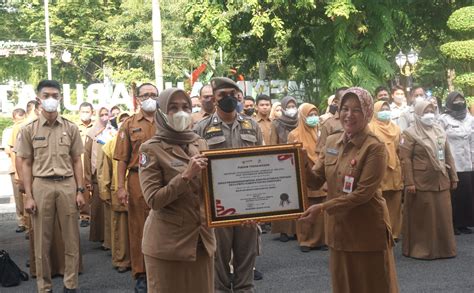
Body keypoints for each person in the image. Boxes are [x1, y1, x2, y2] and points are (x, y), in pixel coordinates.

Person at [300, 87, 399, 293]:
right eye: (345, 108)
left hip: (367, 228)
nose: (348, 115)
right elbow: (315, 181)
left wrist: (322, 208)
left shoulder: (375, 147)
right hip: (338, 228)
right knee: (344, 284)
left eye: (356, 110)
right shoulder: (331, 141)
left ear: (368, 113)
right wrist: (300, 163)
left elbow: (363, 194)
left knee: (373, 284)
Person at [139, 88, 216, 292]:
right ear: (162, 113)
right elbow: (153, 200)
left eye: (185, 107)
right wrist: (185, 176)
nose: (181, 113)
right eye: (173, 108)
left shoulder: (199, 143)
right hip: (167, 246)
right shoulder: (150, 149)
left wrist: (240, 212)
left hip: (201, 242)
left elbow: (212, 190)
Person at [194, 77, 263, 293]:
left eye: (232, 95)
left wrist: (262, 203)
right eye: (222, 95)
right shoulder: (201, 128)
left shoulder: (252, 126)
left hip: (247, 205)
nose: (228, 99)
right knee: (218, 261)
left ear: (239, 97)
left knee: (246, 259)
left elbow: (262, 163)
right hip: (218, 206)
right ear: (214, 99)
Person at [17, 80, 86, 292]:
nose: (51, 99)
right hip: (41, 186)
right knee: (41, 241)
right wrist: (28, 195)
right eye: (46, 95)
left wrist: (80, 190)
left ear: (61, 98)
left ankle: (70, 284)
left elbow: (77, 161)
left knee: (72, 240)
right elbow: (26, 163)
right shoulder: (29, 130)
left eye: (55, 95)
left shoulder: (70, 128)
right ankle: (44, 286)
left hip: (66, 184)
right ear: (39, 99)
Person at [114, 82, 159, 292]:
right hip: (137, 179)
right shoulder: (129, 124)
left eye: (153, 94)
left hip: (163, 179)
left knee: (165, 224)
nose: (150, 98)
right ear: (138, 99)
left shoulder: (167, 121)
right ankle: (141, 274)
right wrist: (120, 187)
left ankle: (162, 269)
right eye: (145, 95)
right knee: (138, 227)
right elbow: (121, 159)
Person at [400, 100, 458, 260]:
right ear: (418, 114)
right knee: (424, 218)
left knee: (443, 216)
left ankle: (445, 249)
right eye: (425, 112)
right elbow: (405, 160)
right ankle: (422, 250)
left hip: (441, 180)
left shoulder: (439, 130)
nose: (429, 115)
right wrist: (409, 182)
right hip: (420, 182)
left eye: (432, 111)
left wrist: (453, 176)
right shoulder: (409, 133)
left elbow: (448, 154)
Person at [287, 103, 327, 252]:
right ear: (303, 116)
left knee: (321, 209)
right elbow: (291, 156)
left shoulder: (321, 133)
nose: (313, 118)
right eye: (309, 115)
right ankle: (305, 240)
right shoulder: (294, 134)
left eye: (315, 114)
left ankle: (320, 240)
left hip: (320, 174)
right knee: (305, 209)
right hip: (303, 175)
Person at [99, 112, 131, 273]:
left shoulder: (140, 140)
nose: (126, 123)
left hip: (137, 190)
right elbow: (105, 171)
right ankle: (122, 260)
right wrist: (104, 191)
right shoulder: (111, 144)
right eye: (122, 121)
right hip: (118, 189)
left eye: (128, 121)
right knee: (121, 228)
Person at [439, 91, 474, 235]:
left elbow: (472, 140)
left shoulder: (470, 119)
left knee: (466, 193)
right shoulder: (443, 119)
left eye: (461, 99)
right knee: (453, 195)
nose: (459, 102)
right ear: (449, 102)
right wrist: (442, 160)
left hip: (468, 162)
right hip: (452, 162)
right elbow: (439, 141)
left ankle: (464, 223)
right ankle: (452, 223)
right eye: (456, 100)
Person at [369, 101, 404, 240]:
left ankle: (395, 232)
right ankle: (381, 231)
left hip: (395, 169)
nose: (385, 111)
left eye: (387, 109)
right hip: (379, 169)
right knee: (378, 202)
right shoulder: (370, 128)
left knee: (395, 203)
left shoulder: (396, 128)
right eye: (382, 109)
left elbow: (400, 149)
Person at [85, 107, 117, 250]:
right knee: (100, 207)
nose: (105, 117)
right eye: (102, 114)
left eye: (107, 114)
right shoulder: (91, 133)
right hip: (97, 175)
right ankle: (102, 237)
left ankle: (112, 239)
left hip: (114, 173)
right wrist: (88, 179)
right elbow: (86, 156)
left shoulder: (114, 131)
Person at [269, 96, 299, 241]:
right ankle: (283, 230)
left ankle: (298, 230)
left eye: (294, 105)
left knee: (297, 197)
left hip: (298, 162)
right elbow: (272, 144)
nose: (292, 109)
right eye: (289, 106)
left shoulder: (300, 121)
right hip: (281, 163)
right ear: (283, 107)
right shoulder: (276, 123)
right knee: (283, 196)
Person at [6, 108, 26, 233]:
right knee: (19, 198)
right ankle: (21, 222)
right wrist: (18, 172)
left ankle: (28, 223)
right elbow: (10, 151)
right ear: (13, 119)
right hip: (15, 168)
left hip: (27, 168)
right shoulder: (10, 130)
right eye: (18, 120)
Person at [77, 102, 95, 227]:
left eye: (87, 111)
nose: (85, 114)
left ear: (92, 112)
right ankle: (84, 215)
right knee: (82, 188)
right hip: (79, 162)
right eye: (82, 111)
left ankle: (95, 214)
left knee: (94, 188)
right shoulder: (73, 127)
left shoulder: (98, 126)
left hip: (93, 162)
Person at [316, 87, 348, 155]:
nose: (348, 102)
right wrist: (337, 153)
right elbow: (321, 150)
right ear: (336, 102)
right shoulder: (329, 124)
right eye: (344, 100)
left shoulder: (356, 122)